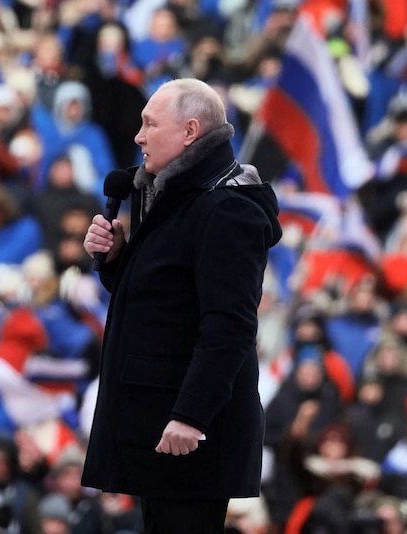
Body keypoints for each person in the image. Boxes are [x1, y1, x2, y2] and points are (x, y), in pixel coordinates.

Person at [81, 78, 282, 533]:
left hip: (191, 434)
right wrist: (118, 260)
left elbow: (229, 325)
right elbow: (168, 305)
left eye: (149, 123)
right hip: (160, 426)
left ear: (190, 131)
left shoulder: (228, 208)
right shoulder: (173, 194)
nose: (138, 136)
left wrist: (191, 415)